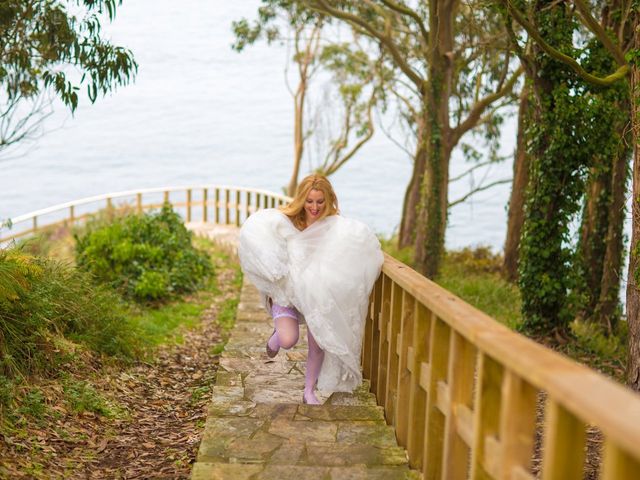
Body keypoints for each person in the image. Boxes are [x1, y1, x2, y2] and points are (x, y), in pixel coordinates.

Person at [237, 174, 383, 405]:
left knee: (319, 342)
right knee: (288, 340)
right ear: (302, 200)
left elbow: (352, 250)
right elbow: (255, 231)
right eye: (310, 201)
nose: (314, 207)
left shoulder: (333, 227)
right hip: (286, 296)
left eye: (320, 202)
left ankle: (308, 391)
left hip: (315, 295)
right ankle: (275, 340)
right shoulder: (287, 222)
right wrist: (273, 269)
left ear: (329, 200)